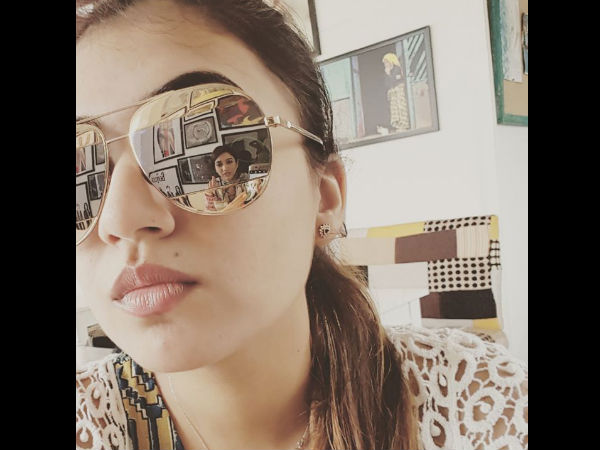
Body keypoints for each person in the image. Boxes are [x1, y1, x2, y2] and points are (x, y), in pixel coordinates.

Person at [75, 1, 527, 449]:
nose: (119, 219)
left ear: (326, 198)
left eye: (202, 147)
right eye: (82, 176)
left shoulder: (479, 409)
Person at [381, 52, 410, 132]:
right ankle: (398, 126)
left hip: (399, 90)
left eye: (387, 62)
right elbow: (387, 84)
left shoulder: (397, 68)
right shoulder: (387, 71)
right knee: (394, 109)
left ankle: (404, 125)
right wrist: (388, 74)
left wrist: (389, 75)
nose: (385, 64)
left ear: (391, 61)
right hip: (393, 92)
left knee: (401, 107)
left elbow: (395, 80)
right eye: (384, 63)